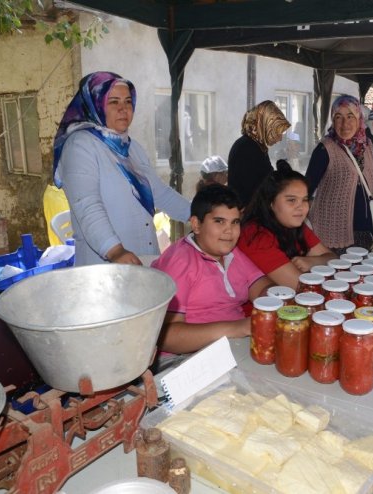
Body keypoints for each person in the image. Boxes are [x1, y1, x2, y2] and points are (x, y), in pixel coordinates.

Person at [53, 71, 190, 266]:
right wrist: (115, 250)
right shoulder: (80, 146)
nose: (123, 109)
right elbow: (87, 205)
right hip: (106, 267)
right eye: (113, 102)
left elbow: (160, 193)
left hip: (142, 258)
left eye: (128, 102)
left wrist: (199, 214)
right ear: (95, 104)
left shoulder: (132, 148)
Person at [151, 184, 272, 354]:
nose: (229, 231)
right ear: (196, 224)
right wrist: (239, 328)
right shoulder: (180, 262)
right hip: (186, 359)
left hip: (234, 347)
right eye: (219, 221)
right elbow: (166, 336)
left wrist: (276, 304)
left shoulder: (232, 254)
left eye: (235, 222)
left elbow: (262, 288)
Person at [306, 95, 373, 251]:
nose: (345, 124)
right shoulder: (325, 149)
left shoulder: (367, 145)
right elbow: (307, 187)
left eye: (350, 116)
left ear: (359, 118)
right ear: (333, 119)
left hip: (365, 226)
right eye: (338, 117)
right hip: (334, 229)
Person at [238, 161, 336, 290]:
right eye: (291, 200)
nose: (300, 207)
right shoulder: (255, 235)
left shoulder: (294, 224)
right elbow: (301, 287)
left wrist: (312, 262)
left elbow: (333, 258)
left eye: (305, 200)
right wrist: (317, 264)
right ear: (270, 203)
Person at [228, 100, 291, 207]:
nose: (280, 138)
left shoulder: (254, 145)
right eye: (277, 131)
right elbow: (260, 184)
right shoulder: (248, 148)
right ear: (266, 126)